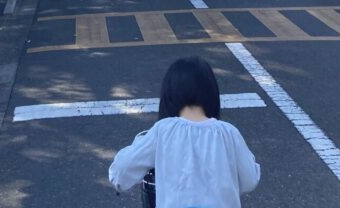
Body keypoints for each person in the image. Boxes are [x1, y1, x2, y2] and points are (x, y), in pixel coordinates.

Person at [108, 56, 260, 207]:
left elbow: (120, 173)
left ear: (170, 93)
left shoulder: (163, 130)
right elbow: (250, 181)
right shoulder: (229, 133)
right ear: (211, 92)